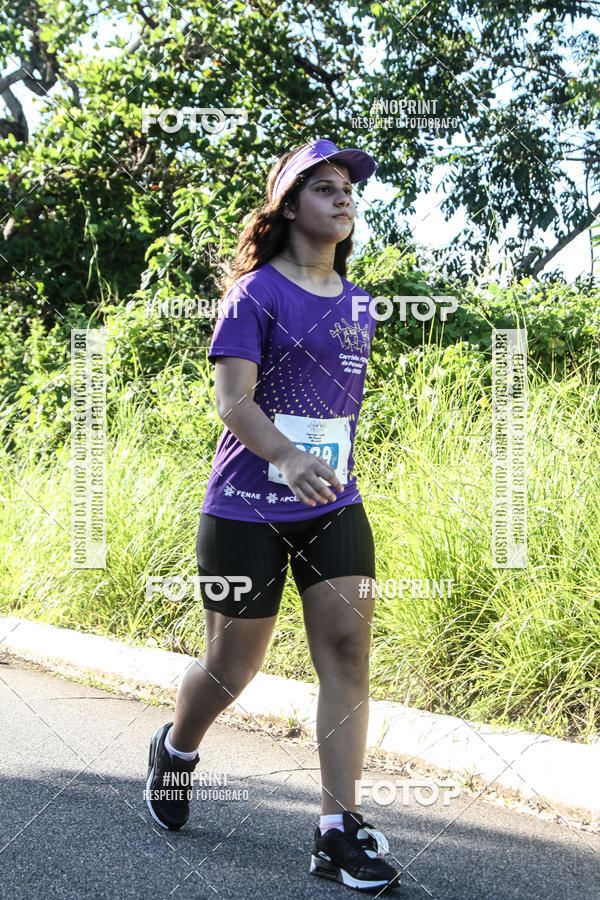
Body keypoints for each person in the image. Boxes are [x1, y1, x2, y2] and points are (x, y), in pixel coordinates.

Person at [146, 139, 399, 893]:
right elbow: (234, 401)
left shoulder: (360, 304)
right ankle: (177, 748)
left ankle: (336, 831)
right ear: (288, 207)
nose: (343, 197)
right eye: (324, 187)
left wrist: (317, 464)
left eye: (348, 188)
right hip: (246, 506)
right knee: (233, 667)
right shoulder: (254, 294)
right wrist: (286, 457)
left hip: (331, 502)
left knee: (347, 652)